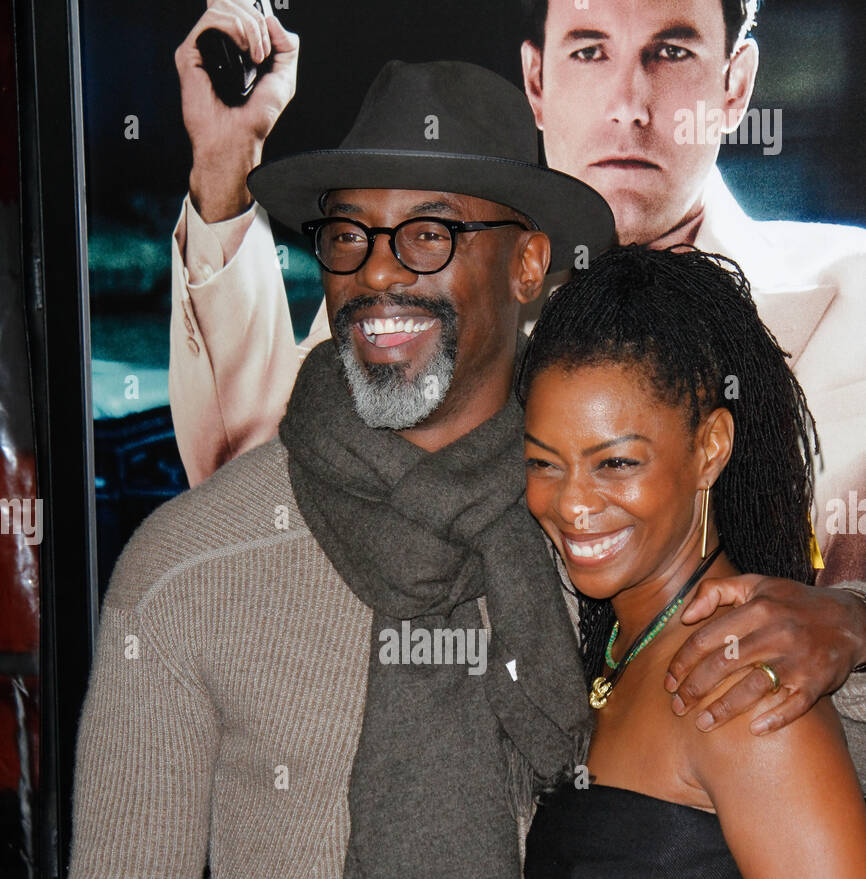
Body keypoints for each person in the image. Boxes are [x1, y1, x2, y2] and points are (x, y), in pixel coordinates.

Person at [51, 59, 614, 879]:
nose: (375, 273)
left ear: (527, 265)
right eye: (350, 235)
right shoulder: (195, 562)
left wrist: (838, 630)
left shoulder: (596, 540)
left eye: (426, 232)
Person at [436, 245, 866, 879]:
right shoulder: (626, 651)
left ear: (710, 444)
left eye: (615, 461)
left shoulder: (732, 679)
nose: (571, 503)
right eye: (543, 460)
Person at [169, 0, 866, 585]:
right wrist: (227, 157)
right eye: (590, 52)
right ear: (537, 82)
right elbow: (253, 492)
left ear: (735, 87)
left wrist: (853, 619)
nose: (629, 106)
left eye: (671, 53)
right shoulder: (440, 283)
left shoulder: (855, 294)